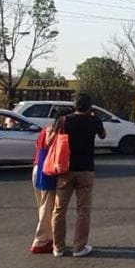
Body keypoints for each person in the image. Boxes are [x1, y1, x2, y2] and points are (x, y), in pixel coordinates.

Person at [51, 93, 105, 258]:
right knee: (83, 210)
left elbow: (52, 138)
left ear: (74, 105)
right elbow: (103, 135)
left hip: (65, 169)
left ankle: (58, 248)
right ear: (90, 107)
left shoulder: (64, 121)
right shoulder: (94, 120)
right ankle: (79, 247)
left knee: (59, 209)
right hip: (86, 170)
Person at [30, 108, 71, 254]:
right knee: (48, 209)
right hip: (48, 172)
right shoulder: (58, 133)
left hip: (37, 169)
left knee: (43, 207)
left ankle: (48, 238)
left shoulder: (45, 130)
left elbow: (37, 147)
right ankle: (41, 241)